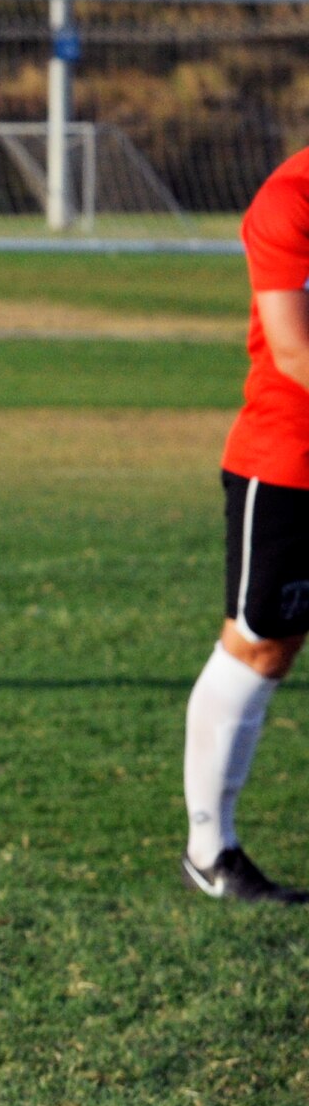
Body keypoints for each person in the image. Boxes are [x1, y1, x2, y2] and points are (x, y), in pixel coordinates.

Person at [182, 147, 309, 905]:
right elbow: (292, 346)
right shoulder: (288, 201)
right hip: (292, 458)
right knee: (262, 641)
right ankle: (210, 848)